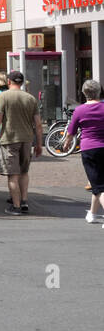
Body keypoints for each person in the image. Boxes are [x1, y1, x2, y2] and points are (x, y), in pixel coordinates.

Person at [0, 70, 44, 215]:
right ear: (21, 83)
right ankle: (24, 201)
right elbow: (38, 124)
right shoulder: (30, 98)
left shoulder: (3, 96)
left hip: (9, 139)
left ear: (9, 82)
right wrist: (39, 144)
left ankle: (16, 206)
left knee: (12, 174)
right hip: (27, 139)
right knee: (24, 172)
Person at [65, 79, 104, 224]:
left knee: (98, 185)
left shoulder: (80, 110)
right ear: (99, 92)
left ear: (83, 93)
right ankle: (92, 214)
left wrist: (67, 143)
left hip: (90, 149)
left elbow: (71, 132)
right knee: (99, 182)